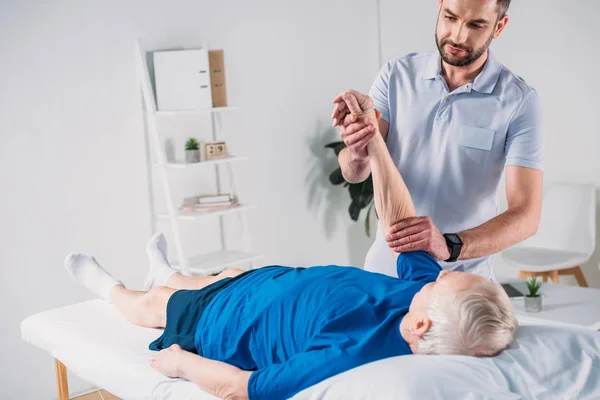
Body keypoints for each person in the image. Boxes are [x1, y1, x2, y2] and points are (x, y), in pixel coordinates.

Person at [64, 95, 517, 400]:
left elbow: (244, 387)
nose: (447, 270)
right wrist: (375, 144)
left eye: (451, 279)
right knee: (215, 279)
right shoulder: (418, 294)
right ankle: (165, 269)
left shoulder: (352, 352)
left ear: (420, 325)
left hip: (224, 324)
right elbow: (401, 225)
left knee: (157, 304)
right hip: (269, 282)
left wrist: (181, 364)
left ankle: (110, 288)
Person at [333, 0, 544, 280]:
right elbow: (355, 173)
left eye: (475, 25)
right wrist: (357, 153)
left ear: (499, 26)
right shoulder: (396, 76)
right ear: (439, 7)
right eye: (450, 17)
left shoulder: (518, 101)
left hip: (462, 283)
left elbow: (526, 217)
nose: (457, 36)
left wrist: (448, 245)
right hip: (384, 274)